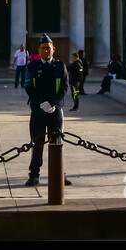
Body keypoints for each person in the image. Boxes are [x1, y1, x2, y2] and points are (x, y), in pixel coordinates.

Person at [25, 34, 72, 187]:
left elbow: (64, 87)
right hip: (38, 110)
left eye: (48, 48)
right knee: (37, 144)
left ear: (54, 49)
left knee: (56, 144)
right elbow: (28, 87)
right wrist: (41, 103)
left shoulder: (60, 66)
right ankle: (34, 175)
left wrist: (53, 103)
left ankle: (59, 174)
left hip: (55, 111)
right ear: (39, 50)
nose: (46, 51)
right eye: (43, 48)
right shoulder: (32, 66)